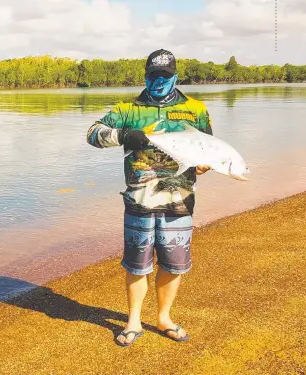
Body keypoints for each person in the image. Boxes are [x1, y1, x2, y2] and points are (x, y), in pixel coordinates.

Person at [86, 49, 213, 347]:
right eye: (153, 76)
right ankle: (133, 321)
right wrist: (122, 137)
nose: (159, 82)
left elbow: (207, 147)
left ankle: (164, 318)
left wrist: (204, 164)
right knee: (136, 264)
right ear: (145, 76)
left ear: (175, 77)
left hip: (179, 202)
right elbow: (92, 133)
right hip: (138, 202)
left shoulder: (196, 109)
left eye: (165, 76)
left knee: (173, 264)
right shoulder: (127, 109)